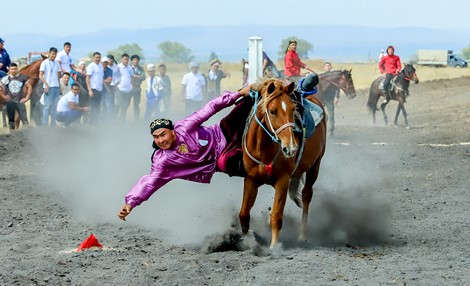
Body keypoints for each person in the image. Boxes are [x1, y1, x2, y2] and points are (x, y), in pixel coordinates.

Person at [117, 83, 254, 221]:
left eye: (163, 134)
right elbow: (149, 183)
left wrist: (240, 93)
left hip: (223, 132)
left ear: (172, 131)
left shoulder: (184, 126)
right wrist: (130, 203)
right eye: (156, 137)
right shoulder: (162, 161)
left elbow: (211, 107)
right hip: (219, 159)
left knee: (250, 100)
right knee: (230, 164)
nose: (160, 140)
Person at [0, 63, 32, 130]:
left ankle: (28, 136)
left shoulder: (22, 77)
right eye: (12, 69)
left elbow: (30, 87)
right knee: (11, 121)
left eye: (15, 69)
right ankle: (13, 137)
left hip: (20, 101)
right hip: (10, 102)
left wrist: (27, 98)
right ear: (9, 69)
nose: (13, 70)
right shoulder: (5, 79)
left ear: (17, 69)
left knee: (25, 120)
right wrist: (4, 97)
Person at [39, 47, 61, 127]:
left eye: (55, 54)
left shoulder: (57, 63)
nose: (54, 55)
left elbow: (58, 76)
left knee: (54, 107)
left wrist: (59, 86)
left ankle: (53, 124)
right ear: (49, 53)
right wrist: (46, 85)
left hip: (56, 87)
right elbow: (40, 75)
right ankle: (45, 124)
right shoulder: (44, 63)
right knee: (47, 106)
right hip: (48, 87)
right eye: (52, 54)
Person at [85, 52, 104, 124]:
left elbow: (101, 78)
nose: (98, 59)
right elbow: (87, 79)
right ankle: (91, 122)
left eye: (99, 57)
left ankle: (95, 121)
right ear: (93, 58)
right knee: (92, 107)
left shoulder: (101, 66)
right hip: (93, 88)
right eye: (96, 57)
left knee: (97, 106)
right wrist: (89, 90)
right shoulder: (91, 66)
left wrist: (106, 88)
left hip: (100, 89)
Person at [115, 53, 134, 121]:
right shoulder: (118, 67)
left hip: (128, 90)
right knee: (118, 104)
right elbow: (114, 77)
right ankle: (114, 119)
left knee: (125, 106)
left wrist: (131, 85)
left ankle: (121, 121)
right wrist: (116, 85)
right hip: (120, 90)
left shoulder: (130, 68)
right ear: (122, 59)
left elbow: (132, 77)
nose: (126, 61)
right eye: (125, 59)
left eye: (127, 59)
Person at [130, 54, 145, 121]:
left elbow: (143, 77)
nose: (135, 61)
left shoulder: (141, 69)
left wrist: (136, 76)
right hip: (129, 89)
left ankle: (136, 120)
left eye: (137, 60)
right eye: (134, 60)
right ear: (132, 61)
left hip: (137, 89)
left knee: (136, 105)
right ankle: (122, 119)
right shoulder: (128, 68)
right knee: (125, 104)